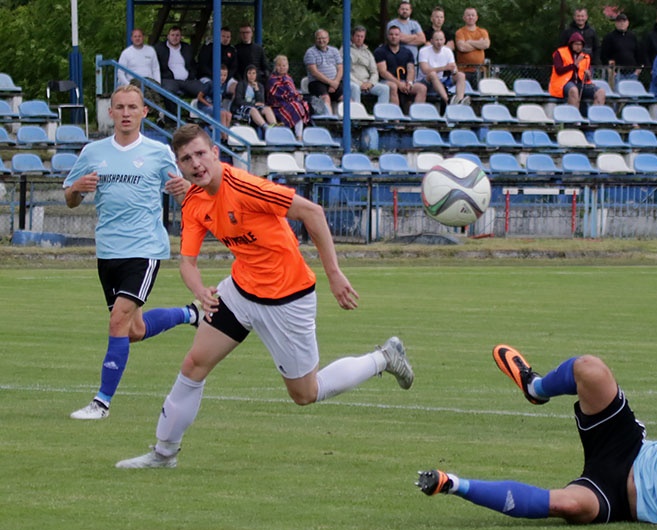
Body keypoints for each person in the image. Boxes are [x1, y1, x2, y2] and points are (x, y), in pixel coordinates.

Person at [115, 124, 415, 469]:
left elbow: (312, 213)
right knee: (194, 364)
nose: (196, 163)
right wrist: (199, 290)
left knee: (305, 394)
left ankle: (384, 358)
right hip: (240, 292)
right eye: (186, 158)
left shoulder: (245, 186)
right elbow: (187, 262)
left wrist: (334, 273)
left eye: (200, 154)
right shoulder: (195, 201)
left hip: (288, 299)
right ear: (179, 167)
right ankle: (163, 453)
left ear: (215, 154)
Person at [417, 333, 657, 528]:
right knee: (590, 368)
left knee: (567, 504)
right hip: (630, 448)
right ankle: (535, 388)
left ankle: (451, 484)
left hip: (619, 500)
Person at [63, 85, 198, 420]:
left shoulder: (158, 152)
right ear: (111, 112)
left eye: (132, 107)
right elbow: (69, 197)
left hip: (145, 249)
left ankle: (102, 402)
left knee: (117, 321)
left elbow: (189, 199)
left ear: (144, 112)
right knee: (133, 330)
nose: (126, 113)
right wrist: (77, 189)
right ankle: (191, 314)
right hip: (108, 251)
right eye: (119, 107)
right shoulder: (93, 152)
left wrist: (186, 191)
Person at [375, 25, 428, 109]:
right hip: (386, 81)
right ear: (387, 36)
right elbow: (383, 72)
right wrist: (399, 83)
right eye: (391, 34)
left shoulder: (407, 52)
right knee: (393, 86)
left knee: (422, 88)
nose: (393, 37)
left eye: (396, 35)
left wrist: (409, 83)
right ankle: (396, 119)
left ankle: (416, 118)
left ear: (400, 36)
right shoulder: (380, 51)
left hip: (404, 82)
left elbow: (411, 69)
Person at [155, 26, 204, 114]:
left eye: (177, 35)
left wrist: (192, 75)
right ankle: (174, 119)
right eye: (172, 35)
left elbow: (193, 64)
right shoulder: (159, 48)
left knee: (205, 89)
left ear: (181, 37)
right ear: (168, 36)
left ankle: (204, 117)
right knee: (168, 92)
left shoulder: (187, 48)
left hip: (188, 80)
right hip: (169, 79)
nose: (175, 37)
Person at [549, 32, 606, 107]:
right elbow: (559, 70)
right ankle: (574, 116)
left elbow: (585, 76)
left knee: (601, 92)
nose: (578, 47)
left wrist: (588, 75)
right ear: (571, 44)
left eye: (580, 45)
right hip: (564, 83)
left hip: (580, 84)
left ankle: (595, 116)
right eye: (576, 44)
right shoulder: (560, 53)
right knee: (574, 90)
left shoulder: (586, 57)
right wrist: (574, 65)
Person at [344, 25, 391, 106]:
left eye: (362, 36)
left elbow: (374, 71)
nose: (359, 38)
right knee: (355, 88)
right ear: (352, 37)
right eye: (357, 36)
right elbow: (344, 71)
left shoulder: (367, 52)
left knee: (384, 89)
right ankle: (356, 117)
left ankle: (381, 117)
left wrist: (371, 83)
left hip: (367, 83)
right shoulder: (345, 49)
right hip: (352, 82)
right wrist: (359, 83)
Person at [417, 30, 467, 105]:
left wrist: (453, 70)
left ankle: (459, 100)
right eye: (437, 40)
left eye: (441, 40)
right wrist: (444, 68)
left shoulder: (447, 51)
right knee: (433, 74)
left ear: (444, 40)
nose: (439, 42)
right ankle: (448, 100)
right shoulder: (423, 51)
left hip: (441, 80)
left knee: (461, 75)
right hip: (425, 81)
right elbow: (425, 70)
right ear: (431, 41)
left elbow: (454, 69)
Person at [267, 55, 310, 138]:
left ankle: (300, 135)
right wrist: (293, 97)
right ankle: (298, 136)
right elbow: (279, 95)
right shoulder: (272, 79)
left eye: (284, 65)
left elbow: (293, 91)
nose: (282, 67)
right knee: (296, 107)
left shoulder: (288, 78)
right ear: (275, 66)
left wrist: (297, 96)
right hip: (278, 105)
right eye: (279, 65)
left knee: (303, 105)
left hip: (290, 102)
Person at [304, 29, 344, 116]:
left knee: (347, 99)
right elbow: (314, 72)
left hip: (335, 82)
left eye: (323, 38)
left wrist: (335, 82)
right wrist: (331, 83)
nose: (321, 40)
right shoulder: (310, 52)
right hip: (317, 82)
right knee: (325, 98)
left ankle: (348, 123)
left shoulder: (334, 51)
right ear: (315, 40)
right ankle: (329, 121)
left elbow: (340, 68)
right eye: (319, 38)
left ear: (328, 39)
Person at [600, 13, 644, 85]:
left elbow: (639, 53)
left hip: (632, 73)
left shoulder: (633, 37)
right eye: (619, 22)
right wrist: (611, 71)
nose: (622, 23)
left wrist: (638, 70)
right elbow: (603, 55)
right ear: (616, 23)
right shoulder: (609, 37)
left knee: (632, 95)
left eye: (624, 21)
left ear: (628, 23)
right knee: (618, 94)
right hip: (616, 73)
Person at [454, 7, 490, 79]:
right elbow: (462, 47)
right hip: (464, 71)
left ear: (476, 17)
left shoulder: (483, 31)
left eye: (473, 15)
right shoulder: (460, 32)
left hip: (480, 70)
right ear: (464, 17)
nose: (471, 17)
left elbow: (486, 44)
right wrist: (479, 44)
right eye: (468, 15)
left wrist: (470, 42)